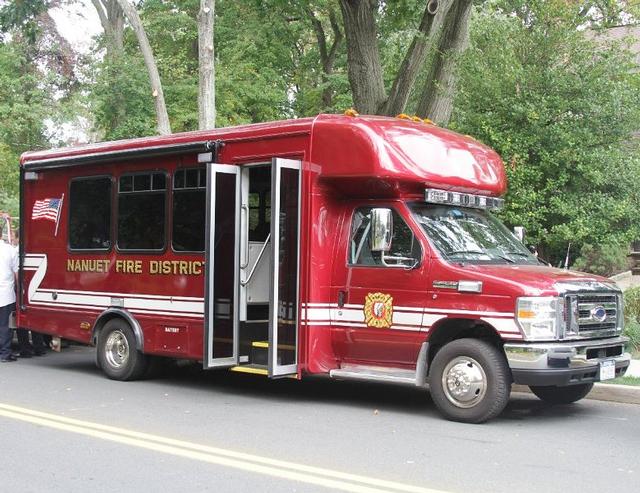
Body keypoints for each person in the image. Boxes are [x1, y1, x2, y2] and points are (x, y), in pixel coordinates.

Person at [0, 223, 18, 362]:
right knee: (6, 326)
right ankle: (5, 353)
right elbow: (16, 272)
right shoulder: (10, 250)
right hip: (6, 294)